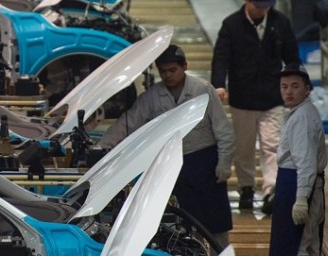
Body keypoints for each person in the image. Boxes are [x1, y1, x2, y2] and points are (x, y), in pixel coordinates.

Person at [99, 44, 234, 246]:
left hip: (206, 165)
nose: (168, 75)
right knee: (184, 223)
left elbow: (224, 131)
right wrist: (102, 147)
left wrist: (224, 163)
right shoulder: (152, 97)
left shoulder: (203, 90)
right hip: (173, 167)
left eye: (173, 70)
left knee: (216, 224)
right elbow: (128, 123)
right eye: (163, 71)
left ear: (184, 66)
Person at [211, 0, 300, 213]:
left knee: (273, 146)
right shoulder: (231, 25)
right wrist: (219, 84)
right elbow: (221, 57)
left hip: (273, 98)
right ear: (247, 1)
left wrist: (294, 85)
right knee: (244, 148)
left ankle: (271, 191)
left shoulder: (280, 23)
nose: (263, 9)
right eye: (259, 5)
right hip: (243, 99)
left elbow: (292, 56)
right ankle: (247, 188)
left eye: (267, 5)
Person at [269, 64, 327, 256]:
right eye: (284, 86)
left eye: (295, 86)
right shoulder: (299, 113)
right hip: (290, 183)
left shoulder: (303, 117)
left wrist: (301, 198)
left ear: (307, 89)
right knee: (301, 245)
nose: (288, 91)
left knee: (298, 246)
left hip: (298, 185)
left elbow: (306, 162)